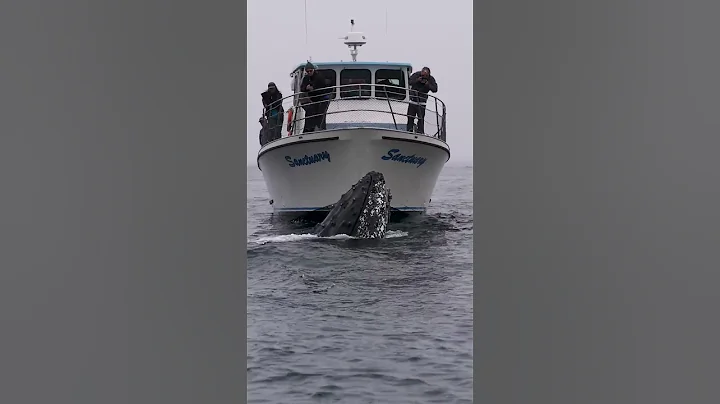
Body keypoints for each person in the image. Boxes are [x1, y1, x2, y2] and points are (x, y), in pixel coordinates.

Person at [299, 62, 332, 132]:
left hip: (322, 99)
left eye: (311, 71)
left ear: (314, 70)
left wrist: (313, 87)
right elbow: (302, 88)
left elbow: (320, 85)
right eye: (307, 71)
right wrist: (306, 88)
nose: (309, 72)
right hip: (312, 100)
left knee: (321, 114)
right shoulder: (306, 78)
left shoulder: (319, 76)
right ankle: (309, 129)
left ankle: (321, 129)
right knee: (310, 112)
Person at [406, 67, 438, 134]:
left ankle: (420, 132)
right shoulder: (416, 75)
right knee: (410, 116)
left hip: (422, 102)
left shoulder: (431, 79)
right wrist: (417, 80)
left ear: (428, 75)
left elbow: (435, 89)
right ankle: (409, 130)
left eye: (426, 76)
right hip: (413, 100)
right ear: (421, 72)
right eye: (423, 75)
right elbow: (409, 82)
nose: (424, 77)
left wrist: (428, 84)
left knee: (421, 118)